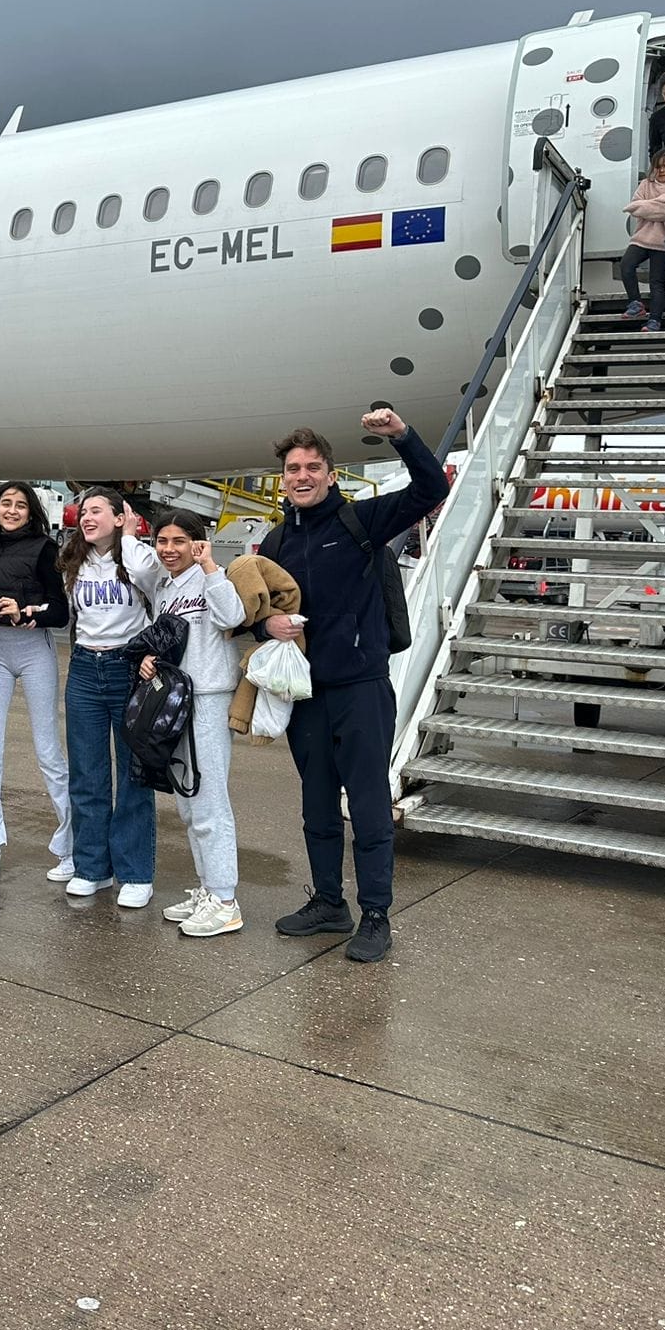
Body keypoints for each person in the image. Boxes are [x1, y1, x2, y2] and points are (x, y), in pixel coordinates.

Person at [261, 408, 449, 964]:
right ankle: (327, 902)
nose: (302, 476)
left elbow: (431, 487)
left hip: (361, 688)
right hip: (305, 694)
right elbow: (258, 609)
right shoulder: (276, 543)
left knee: (366, 805)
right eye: (293, 468)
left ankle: (374, 914)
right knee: (316, 804)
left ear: (330, 474)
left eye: (312, 467)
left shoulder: (361, 521)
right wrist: (263, 625)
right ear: (284, 478)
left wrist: (402, 437)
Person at [131, 511, 245, 936]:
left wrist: (211, 566)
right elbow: (164, 638)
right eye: (162, 540)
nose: (169, 549)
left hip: (209, 698)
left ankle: (226, 899)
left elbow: (231, 617)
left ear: (198, 542)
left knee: (210, 798)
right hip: (173, 699)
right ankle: (208, 888)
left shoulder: (212, 577)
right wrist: (148, 658)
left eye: (180, 540)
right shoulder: (163, 586)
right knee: (188, 798)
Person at [0, 481, 72, 880]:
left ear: (31, 512)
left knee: (49, 752)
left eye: (20, 505)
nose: (11, 510)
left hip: (34, 648)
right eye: (6, 503)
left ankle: (69, 846)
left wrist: (29, 611)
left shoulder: (44, 548)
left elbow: (60, 611)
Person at [57, 486, 162, 898]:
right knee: (87, 773)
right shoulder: (74, 561)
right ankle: (91, 866)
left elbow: (149, 579)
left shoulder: (137, 557)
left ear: (120, 517)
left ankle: (135, 874)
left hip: (128, 669)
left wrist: (132, 536)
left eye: (97, 511)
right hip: (84, 668)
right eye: (83, 512)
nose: (86, 517)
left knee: (134, 773)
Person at [620, 147, 665, 332]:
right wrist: (664, 200)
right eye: (658, 166)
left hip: (663, 242)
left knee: (656, 281)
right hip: (641, 237)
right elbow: (635, 207)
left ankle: (654, 320)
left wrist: (647, 205)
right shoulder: (644, 184)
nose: (661, 170)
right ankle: (635, 302)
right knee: (626, 265)